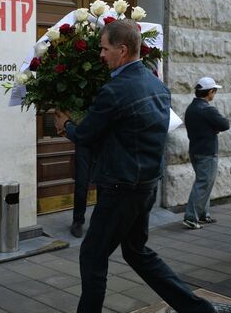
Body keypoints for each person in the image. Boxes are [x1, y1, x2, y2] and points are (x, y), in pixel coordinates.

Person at [55, 19, 216, 313]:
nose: (100, 55)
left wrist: (66, 124)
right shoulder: (157, 85)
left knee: (92, 255)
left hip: (120, 188)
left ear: (123, 49)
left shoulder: (115, 90)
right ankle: (198, 309)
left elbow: (87, 136)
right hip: (145, 186)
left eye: (104, 48)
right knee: (136, 252)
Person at [182, 77, 230, 230]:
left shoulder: (191, 108)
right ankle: (191, 217)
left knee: (204, 183)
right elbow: (225, 124)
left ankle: (203, 214)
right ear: (210, 91)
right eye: (214, 91)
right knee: (203, 184)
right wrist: (214, 128)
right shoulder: (208, 109)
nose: (214, 94)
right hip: (207, 152)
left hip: (195, 150)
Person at [70, 144, 92, 237]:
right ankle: (78, 221)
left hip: (104, 143)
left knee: (104, 184)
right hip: (84, 142)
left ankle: (99, 223)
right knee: (81, 183)